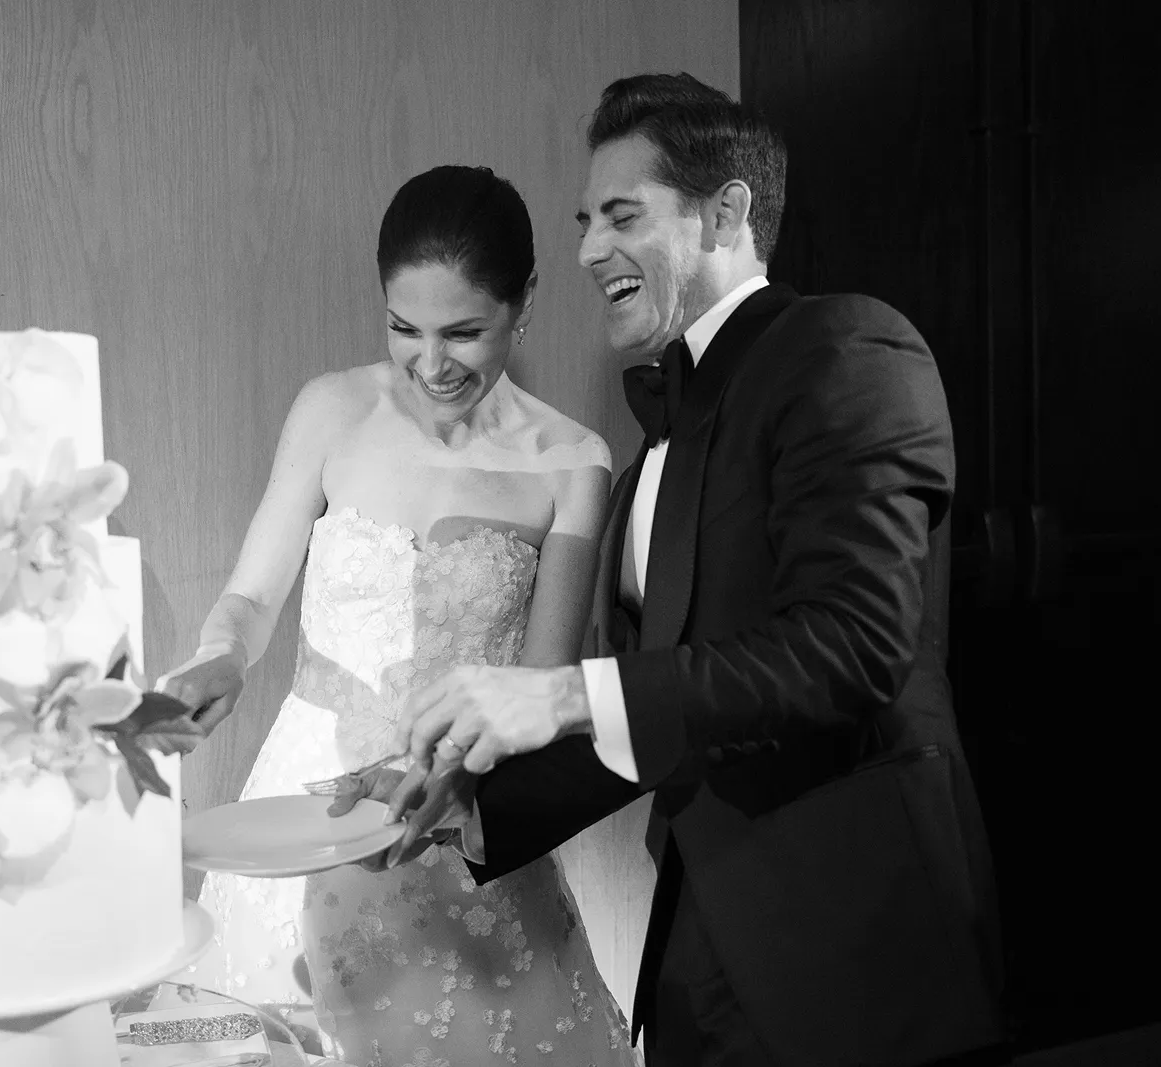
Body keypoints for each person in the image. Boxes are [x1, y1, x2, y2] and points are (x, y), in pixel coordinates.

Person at [345, 74, 1005, 1066]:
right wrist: (462, 805)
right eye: (585, 222)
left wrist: (563, 691)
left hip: (856, 945)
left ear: (726, 214)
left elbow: (854, 646)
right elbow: (661, 714)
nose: (586, 250)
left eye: (623, 215)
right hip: (702, 948)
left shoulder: (848, 347)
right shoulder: (656, 446)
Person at [161, 165, 639, 1065]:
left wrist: (451, 775)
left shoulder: (573, 461)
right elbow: (252, 597)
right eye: (404, 327)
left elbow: (537, 693)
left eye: (463, 332)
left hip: (455, 814)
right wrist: (220, 653)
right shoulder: (331, 410)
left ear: (524, 304)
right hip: (308, 807)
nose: (430, 363)